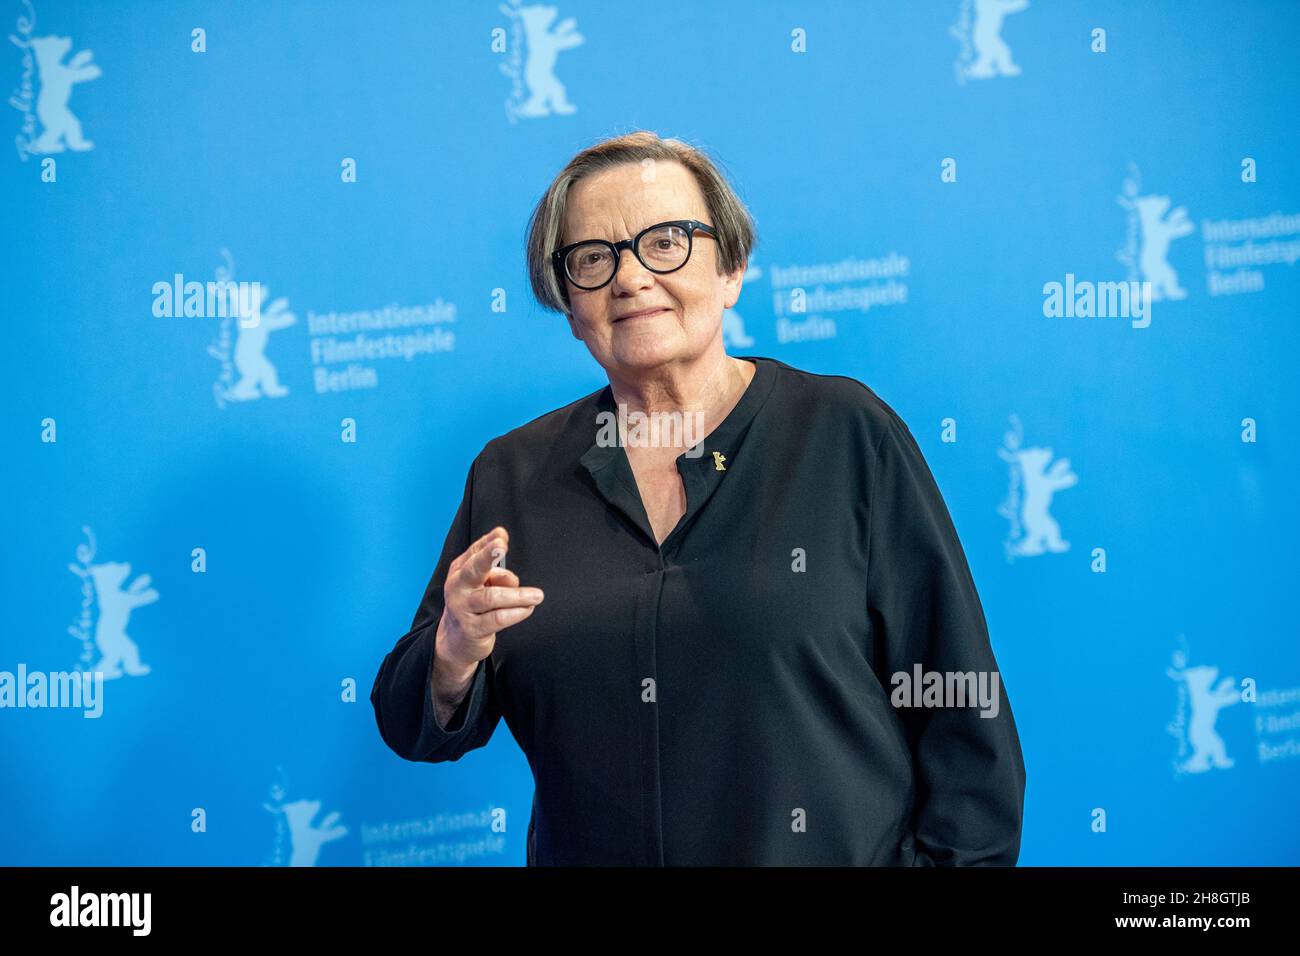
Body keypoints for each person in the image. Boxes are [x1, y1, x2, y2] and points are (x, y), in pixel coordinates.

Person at [370, 130, 1026, 865]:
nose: (630, 279)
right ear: (566, 300)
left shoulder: (845, 434)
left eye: (667, 242)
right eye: (593, 258)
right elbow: (408, 722)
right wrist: (454, 651)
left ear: (732, 268)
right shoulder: (513, 474)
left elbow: (959, 708)